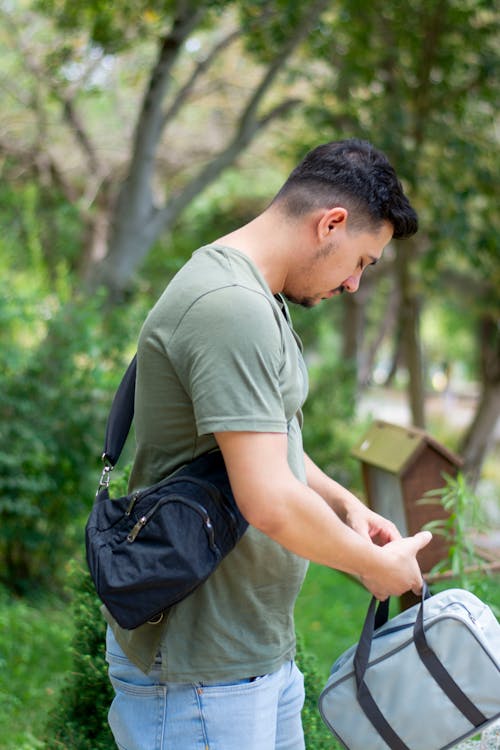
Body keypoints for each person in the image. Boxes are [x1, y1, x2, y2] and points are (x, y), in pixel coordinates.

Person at [104, 138, 432, 750]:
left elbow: (267, 438)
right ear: (330, 224)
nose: (355, 283)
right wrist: (372, 567)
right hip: (203, 669)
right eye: (361, 260)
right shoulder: (232, 307)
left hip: (250, 651)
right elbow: (269, 501)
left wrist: (346, 507)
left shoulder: (255, 295)